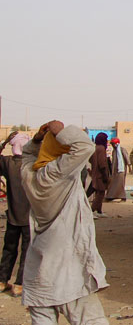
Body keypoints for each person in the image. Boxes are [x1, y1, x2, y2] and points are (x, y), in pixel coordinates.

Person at [20, 121, 109, 324]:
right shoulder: (58, 173)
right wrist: (60, 130)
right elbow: (85, 147)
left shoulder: (29, 176)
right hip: (70, 273)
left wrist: (36, 140)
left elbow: (27, 156)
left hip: (39, 274)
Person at [0, 132, 31, 296]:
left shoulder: (7, 163)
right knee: (27, 251)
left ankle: (3, 280)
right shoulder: (32, 164)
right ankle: (19, 284)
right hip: (29, 217)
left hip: (12, 215)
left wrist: (4, 142)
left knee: (9, 249)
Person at [89, 133, 110, 218]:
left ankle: (99, 211)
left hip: (95, 173)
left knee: (99, 192)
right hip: (100, 174)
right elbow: (102, 163)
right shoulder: (101, 149)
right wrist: (105, 175)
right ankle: (91, 210)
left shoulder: (94, 148)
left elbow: (90, 160)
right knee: (100, 193)